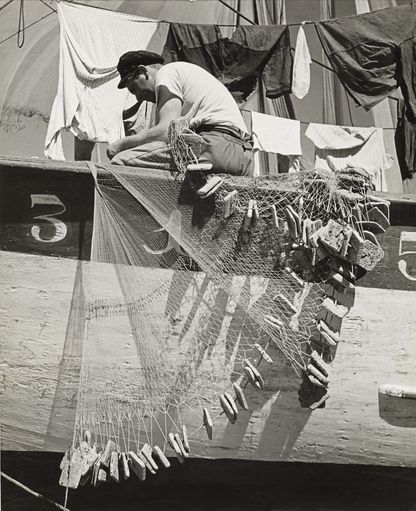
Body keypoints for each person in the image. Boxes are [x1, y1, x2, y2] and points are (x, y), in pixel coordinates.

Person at [108, 50, 253, 176]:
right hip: (245, 156)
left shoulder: (167, 73)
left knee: (120, 161)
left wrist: (120, 145)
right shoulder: (187, 75)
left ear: (142, 71)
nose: (137, 97)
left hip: (216, 148)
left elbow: (165, 133)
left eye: (134, 88)